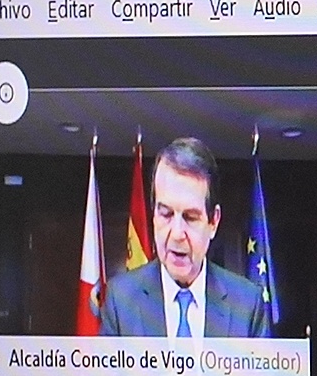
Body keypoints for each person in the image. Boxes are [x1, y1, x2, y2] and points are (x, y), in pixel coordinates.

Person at [99, 138, 273, 340]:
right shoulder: (120, 300)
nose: (177, 234)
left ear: (213, 222)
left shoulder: (247, 304)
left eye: (190, 218)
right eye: (166, 214)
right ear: (153, 215)